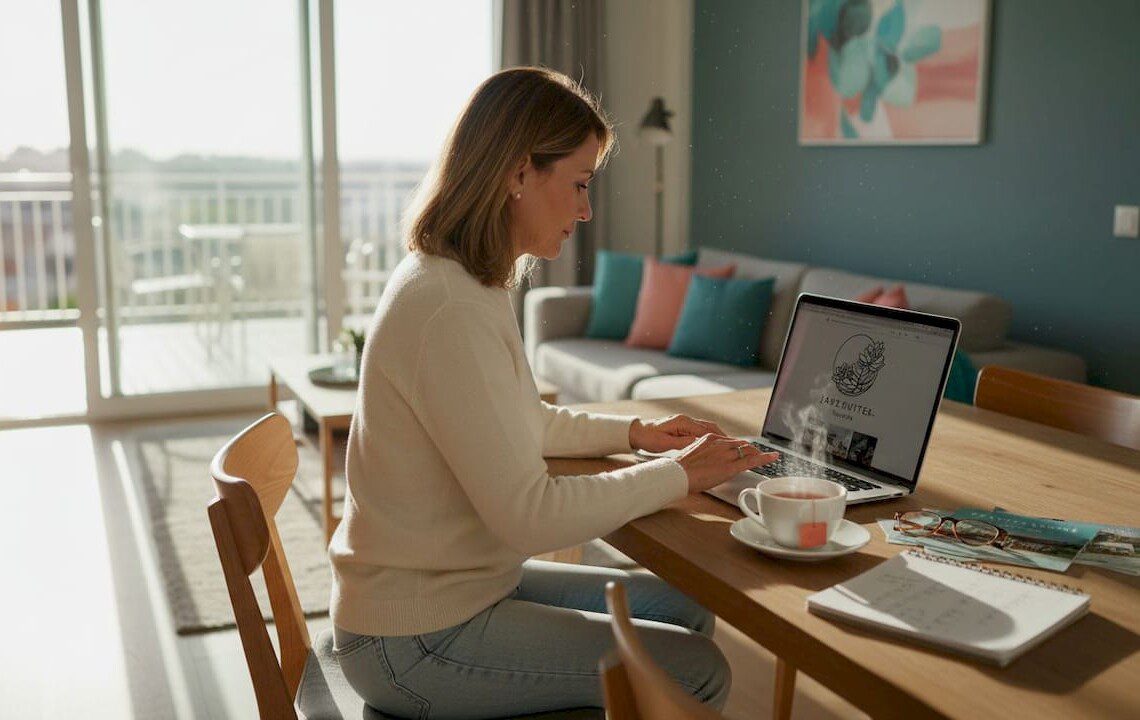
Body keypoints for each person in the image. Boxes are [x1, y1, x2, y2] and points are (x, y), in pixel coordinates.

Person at [329, 66, 778, 719]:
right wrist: (673, 474)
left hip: (462, 589)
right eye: (579, 183)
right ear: (518, 174)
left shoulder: (468, 283)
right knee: (695, 669)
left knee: (683, 608)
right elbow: (529, 516)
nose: (585, 210)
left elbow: (522, 422)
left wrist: (634, 435)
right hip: (412, 639)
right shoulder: (446, 306)